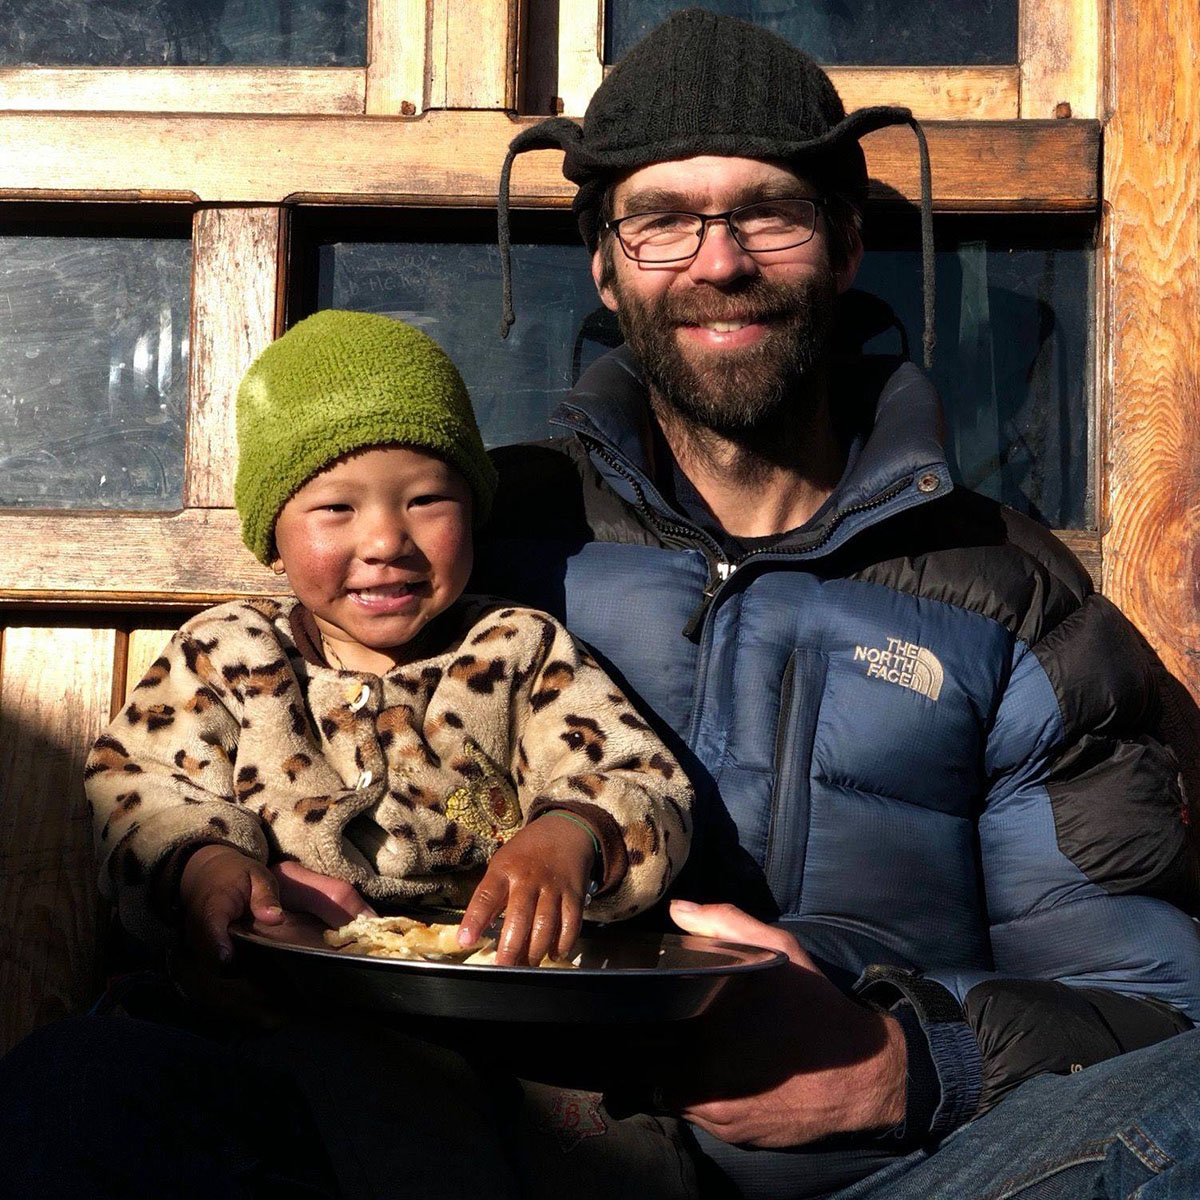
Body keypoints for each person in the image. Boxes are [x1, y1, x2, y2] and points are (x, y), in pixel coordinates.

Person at [474, 7, 1200, 1197]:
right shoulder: (495, 543)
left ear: (847, 243)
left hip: (892, 1181)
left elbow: (1153, 1003)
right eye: (662, 220)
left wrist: (906, 1065)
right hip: (500, 1158)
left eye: (768, 212)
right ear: (604, 263)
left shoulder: (1009, 599)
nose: (720, 263)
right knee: (118, 1074)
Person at [88, 307, 692, 969]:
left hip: (485, 1003)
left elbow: (645, 783)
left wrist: (570, 834)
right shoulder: (228, 654)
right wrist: (206, 865)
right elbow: (134, 786)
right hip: (269, 990)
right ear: (273, 535)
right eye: (336, 509)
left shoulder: (517, 648)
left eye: (426, 500)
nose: (385, 542)